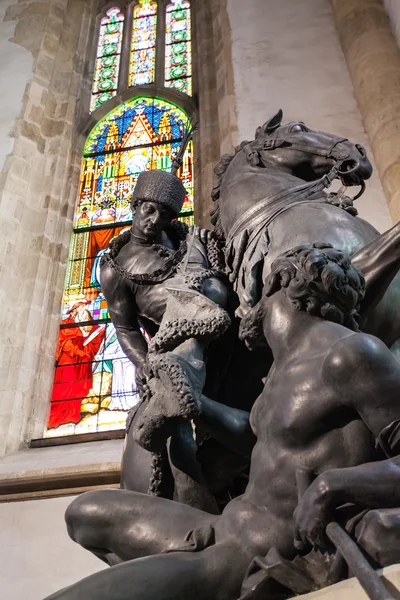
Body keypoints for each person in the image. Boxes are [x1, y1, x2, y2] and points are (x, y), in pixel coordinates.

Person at [44, 242, 400, 600]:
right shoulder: (281, 367)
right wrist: (196, 404)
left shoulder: (350, 354)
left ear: (283, 283)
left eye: (256, 292)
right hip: (225, 524)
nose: (249, 305)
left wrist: (330, 488)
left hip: (255, 554)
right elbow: (265, 440)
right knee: (84, 513)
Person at [49, 301, 105, 429]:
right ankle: (57, 416)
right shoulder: (67, 324)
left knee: (77, 388)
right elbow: (66, 344)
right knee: (65, 387)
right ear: (75, 310)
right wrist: (79, 352)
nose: (85, 309)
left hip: (82, 364)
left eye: (85, 307)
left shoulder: (88, 323)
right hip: (68, 362)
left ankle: (72, 416)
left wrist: (97, 334)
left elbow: (95, 333)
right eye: (82, 307)